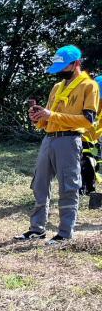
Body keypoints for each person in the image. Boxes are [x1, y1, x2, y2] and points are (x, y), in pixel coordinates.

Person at [15, 45, 99, 244]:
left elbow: (88, 120)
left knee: (68, 187)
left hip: (70, 141)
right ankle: (37, 229)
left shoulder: (89, 86)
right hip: (49, 139)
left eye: (63, 67)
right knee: (39, 184)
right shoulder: (56, 87)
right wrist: (38, 118)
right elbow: (48, 118)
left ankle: (64, 233)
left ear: (76, 63)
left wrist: (51, 115)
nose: (60, 71)